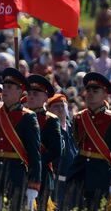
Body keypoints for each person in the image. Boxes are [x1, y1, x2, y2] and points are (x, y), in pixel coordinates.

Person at [65, 72, 111, 211]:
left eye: (95, 91)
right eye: (88, 90)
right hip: (79, 173)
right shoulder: (78, 118)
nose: (90, 94)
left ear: (105, 95)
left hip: (102, 175)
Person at [0, 67, 41, 210]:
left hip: (16, 175)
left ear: (20, 91)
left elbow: (34, 153)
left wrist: (33, 184)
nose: (4, 90)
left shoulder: (27, 117)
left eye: (9, 87)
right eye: (4, 87)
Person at [27, 74, 63, 211]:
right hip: (21, 170)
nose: (30, 96)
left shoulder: (51, 120)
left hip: (42, 172)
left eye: (35, 93)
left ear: (45, 98)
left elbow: (56, 149)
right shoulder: (20, 116)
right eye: (29, 93)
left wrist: (37, 162)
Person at [48, 93, 77, 211]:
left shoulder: (74, 129)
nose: (60, 109)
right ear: (49, 109)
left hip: (75, 185)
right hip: (58, 185)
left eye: (62, 105)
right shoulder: (50, 130)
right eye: (56, 106)